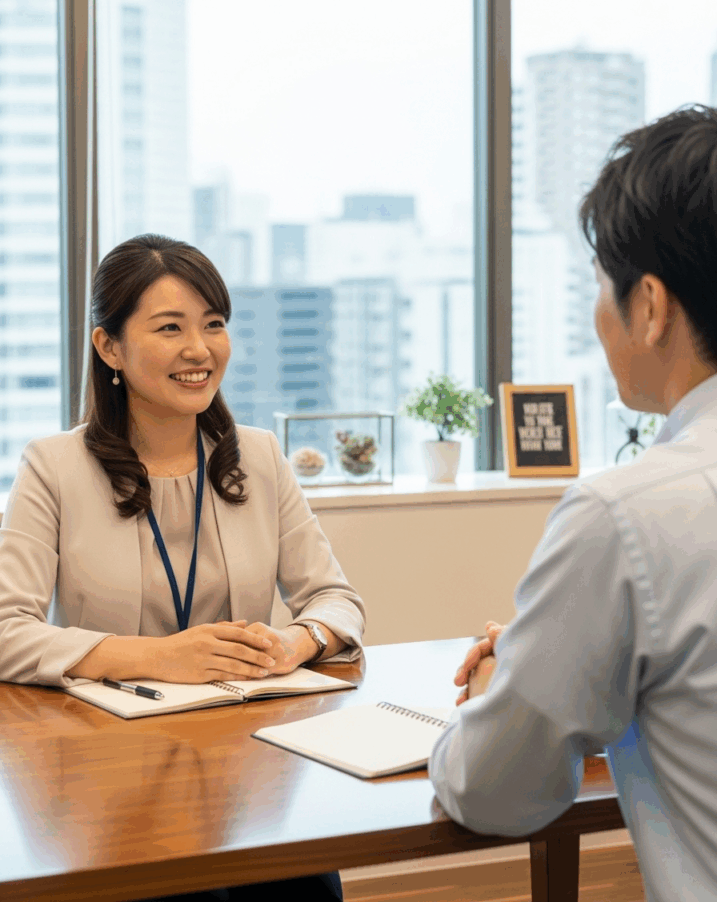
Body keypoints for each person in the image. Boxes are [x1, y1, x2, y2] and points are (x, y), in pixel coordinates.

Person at [0, 233, 365, 901]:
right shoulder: (53, 467)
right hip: (109, 769)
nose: (199, 349)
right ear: (109, 347)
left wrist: (296, 641)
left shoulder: (258, 455)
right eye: (170, 328)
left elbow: (336, 600)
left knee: (304, 887)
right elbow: (6, 630)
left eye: (213, 324)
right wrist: (161, 657)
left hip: (245, 758)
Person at [429, 104, 717, 902]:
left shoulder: (627, 513)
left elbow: (495, 791)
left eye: (598, 283)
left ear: (649, 306)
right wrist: (560, 648)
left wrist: (506, 680)